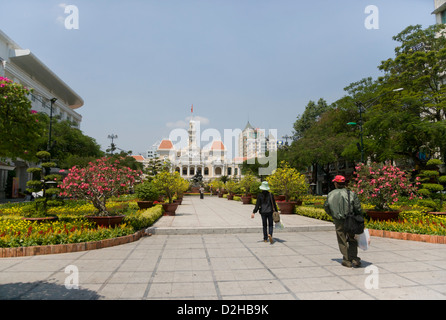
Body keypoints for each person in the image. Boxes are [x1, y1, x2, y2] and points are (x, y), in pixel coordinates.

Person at [324, 175, 364, 268]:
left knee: (342, 239)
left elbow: (326, 207)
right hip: (350, 219)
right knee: (352, 238)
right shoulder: (351, 193)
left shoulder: (331, 194)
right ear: (344, 184)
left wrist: (333, 215)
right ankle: (354, 258)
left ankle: (346, 260)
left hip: (338, 220)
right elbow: (358, 208)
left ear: (336, 183)